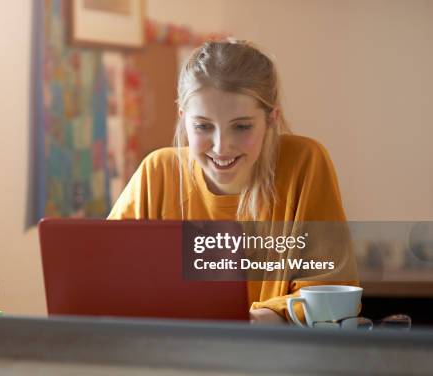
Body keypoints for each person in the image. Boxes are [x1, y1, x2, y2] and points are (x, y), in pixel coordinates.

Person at [107, 39, 358, 324]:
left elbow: (331, 294)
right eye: (203, 126)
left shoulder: (305, 162)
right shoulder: (156, 172)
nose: (221, 146)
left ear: (271, 119)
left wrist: (257, 320)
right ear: (183, 118)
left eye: (241, 127)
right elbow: (105, 280)